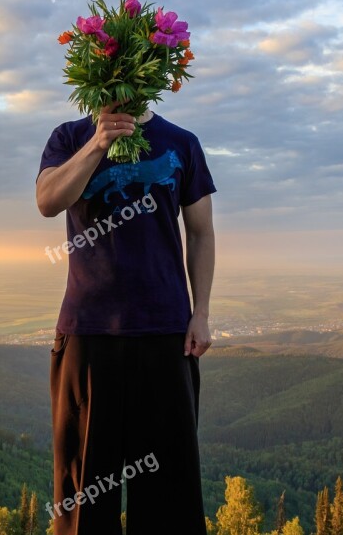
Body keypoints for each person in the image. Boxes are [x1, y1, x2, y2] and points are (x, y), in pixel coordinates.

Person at [36, 103, 216, 535]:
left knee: (169, 497)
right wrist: (99, 143)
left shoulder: (182, 143)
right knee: (83, 500)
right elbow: (47, 201)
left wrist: (202, 313)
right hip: (88, 335)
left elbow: (201, 232)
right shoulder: (69, 136)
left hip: (166, 333)